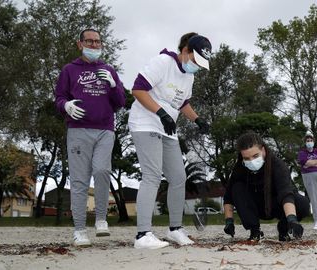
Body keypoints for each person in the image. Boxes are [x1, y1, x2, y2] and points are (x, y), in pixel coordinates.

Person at [129, 32, 212, 249]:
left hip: (168, 130)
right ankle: (142, 235)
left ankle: (175, 229)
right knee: (152, 175)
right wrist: (161, 113)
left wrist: (197, 119)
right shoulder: (163, 62)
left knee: (178, 177)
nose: (197, 67)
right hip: (145, 123)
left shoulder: (189, 76)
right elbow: (137, 89)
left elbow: (182, 102)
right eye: (196, 60)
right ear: (185, 51)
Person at [55, 28, 126, 246]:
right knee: (79, 181)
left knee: (103, 170)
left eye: (97, 42)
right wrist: (65, 105)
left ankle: (102, 220)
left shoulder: (109, 70)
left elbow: (121, 102)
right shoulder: (69, 70)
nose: (94, 45)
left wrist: (113, 86)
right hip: (78, 130)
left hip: (105, 130)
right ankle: (79, 231)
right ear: (80, 44)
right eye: (89, 41)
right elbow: (58, 98)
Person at [223, 132, 310, 241]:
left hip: (278, 205)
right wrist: (229, 221)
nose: (252, 161)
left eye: (255, 156)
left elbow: (286, 193)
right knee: (237, 187)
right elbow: (228, 196)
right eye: (247, 158)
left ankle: (284, 229)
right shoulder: (239, 168)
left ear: (263, 150)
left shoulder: (278, 165)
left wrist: (292, 220)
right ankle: (255, 231)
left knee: (303, 203)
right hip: (255, 207)